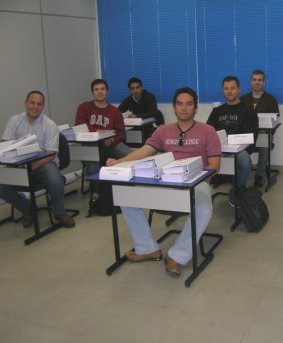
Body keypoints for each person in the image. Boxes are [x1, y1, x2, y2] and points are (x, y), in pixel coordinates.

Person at [106, 87, 221, 276]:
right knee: (125, 196)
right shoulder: (163, 130)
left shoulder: (208, 131)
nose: (184, 108)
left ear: (195, 108)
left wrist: (192, 180)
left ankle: (177, 256)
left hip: (196, 183)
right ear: (174, 108)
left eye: (189, 104)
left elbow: (215, 166)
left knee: (204, 208)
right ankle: (147, 248)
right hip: (165, 182)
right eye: (180, 104)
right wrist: (118, 162)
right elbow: (145, 151)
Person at [0, 91, 75, 228]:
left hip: (44, 162)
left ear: (43, 106)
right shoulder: (15, 120)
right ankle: (27, 208)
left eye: (39, 104)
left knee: (55, 179)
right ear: (25, 104)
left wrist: (29, 169)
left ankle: (59, 212)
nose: (35, 107)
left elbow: (51, 154)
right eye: (32, 103)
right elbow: (5, 144)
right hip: (19, 164)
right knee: (1, 183)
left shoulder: (49, 124)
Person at [207, 76, 259, 204]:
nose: (229, 91)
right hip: (218, 148)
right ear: (222, 90)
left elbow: (252, 136)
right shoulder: (217, 111)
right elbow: (208, 132)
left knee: (246, 161)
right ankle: (202, 191)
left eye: (232, 88)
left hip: (238, 150)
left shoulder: (248, 111)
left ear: (239, 90)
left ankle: (238, 189)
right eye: (226, 88)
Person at [75, 79, 132, 180]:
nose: (100, 92)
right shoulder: (84, 107)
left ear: (107, 91)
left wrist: (112, 140)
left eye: (102, 89)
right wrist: (97, 132)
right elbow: (79, 126)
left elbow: (121, 133)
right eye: (96, 89)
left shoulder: (115, 111)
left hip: (110, 145)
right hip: (91, 145)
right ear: (92, 92)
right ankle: (97, 192)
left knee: (132, 156)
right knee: (93, 167)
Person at [240, 70, 279, 188]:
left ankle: (259, 176)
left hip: (263, 134)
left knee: (264, 143)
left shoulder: (271, 99)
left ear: (264, 82)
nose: (257, 82)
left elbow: (275, 121)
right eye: (254, 79)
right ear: (250, 81)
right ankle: (240, 174)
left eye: (259, 80)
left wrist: (265, 131)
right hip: (247, 135)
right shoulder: (243, 99)